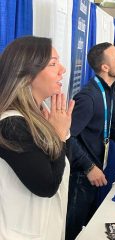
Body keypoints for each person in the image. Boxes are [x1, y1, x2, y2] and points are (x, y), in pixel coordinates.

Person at [66, 42, 115, 240]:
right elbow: (67, 136)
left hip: (95, 174)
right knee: (71, 231)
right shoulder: (88, 97)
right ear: (105, 67)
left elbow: (114, 128)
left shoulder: (109, 92)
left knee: (90, 229)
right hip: (81, 177)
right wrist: (89, 167)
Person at [0, 36, 74, 239]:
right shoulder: (11, 124)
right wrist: (58, 136)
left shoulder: (40, 116)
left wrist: (60, 134)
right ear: (26, 74)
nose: (63, 70)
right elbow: (46, 185)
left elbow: (63, 166)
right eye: (53, 64)